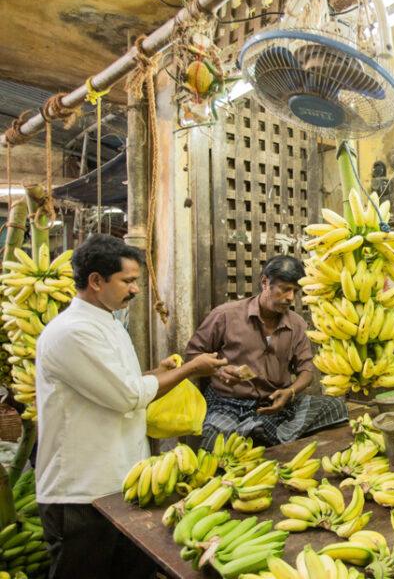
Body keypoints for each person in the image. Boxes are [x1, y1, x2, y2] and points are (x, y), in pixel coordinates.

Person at [35, 234, 227, 579]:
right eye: (128, 280)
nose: (136, 289)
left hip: (118, 483)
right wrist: (190, 369)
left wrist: (158, 372)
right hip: (81, 493)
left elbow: (121, 382)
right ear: (96, 281)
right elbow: (127, 395)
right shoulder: (72, 332)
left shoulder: (108, 321)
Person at [185, 255, 348, 449]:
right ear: (265, 282)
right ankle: (264, 433)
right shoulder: (226, 315)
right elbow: (193, 355)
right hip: (229, 403)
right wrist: (218, 371)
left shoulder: (296, 324)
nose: (290, 297)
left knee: (336, 408)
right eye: (285, 289)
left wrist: (290, 391)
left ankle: (257, 431)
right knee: (213, 438)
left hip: (276, 404)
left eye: (295, 291)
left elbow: (306, 370)